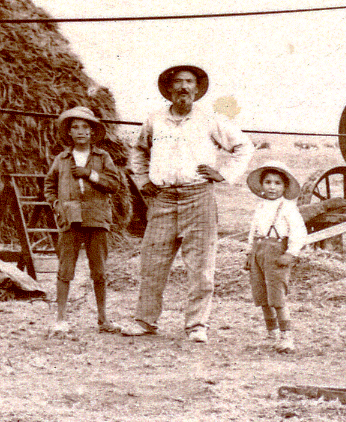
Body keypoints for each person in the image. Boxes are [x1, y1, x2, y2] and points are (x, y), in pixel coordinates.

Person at [121, 65, 252, 343]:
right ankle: (145, 321)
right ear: (169, 89)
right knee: (152, 264)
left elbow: (243, 146)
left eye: (189, 82)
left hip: (198, 198)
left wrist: (224, 174)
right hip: (163, 199)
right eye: (178, 82)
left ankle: (197, 325)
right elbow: (139, 150)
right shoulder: (155, 119)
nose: (183, 87)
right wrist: (143, 179)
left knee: (201, 267)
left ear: (197, 88)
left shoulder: (211, 119)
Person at [43, 106, 132, 335]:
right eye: (75, 127)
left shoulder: (103, 158)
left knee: (99, 271)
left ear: (92, 132)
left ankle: (103, 320)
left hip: (97, 218)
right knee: (65, 269)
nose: (80, 131)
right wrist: (56, 205)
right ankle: (61, 320)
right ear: (69, 132)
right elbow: (49, 185)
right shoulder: (61, 159)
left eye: (85, 127)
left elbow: (114, 184)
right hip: (70, 219)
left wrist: (90, 175)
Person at [245, 164, 308, 352]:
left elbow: (299, 232)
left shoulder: (288, 208)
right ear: (262, 185)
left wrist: (291, 253)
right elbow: (253, 231)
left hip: (277, 254)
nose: (272, 187)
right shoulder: (261, 206)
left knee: (277, 297)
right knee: (262, 296)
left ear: (285, 187)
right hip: (259, 251)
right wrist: (249, 253)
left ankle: (286, 336)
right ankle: (271, 333)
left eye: (277, 183)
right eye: (268, 182)